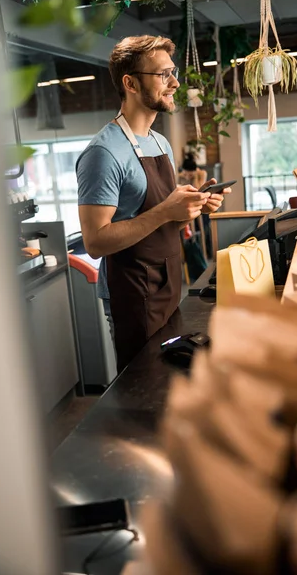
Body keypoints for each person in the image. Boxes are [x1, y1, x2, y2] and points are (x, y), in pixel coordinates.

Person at [76, 35, 231, 372]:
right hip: (132, 294)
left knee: (168, 384)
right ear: (130, 83)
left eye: (172, 72)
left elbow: (162, 217)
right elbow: (95, 241)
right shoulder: (102, 154)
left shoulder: (159, 142)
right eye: (163, 75)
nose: (174, 82)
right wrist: (165, 211)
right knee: (142, 394)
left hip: (168, 282)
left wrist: (195, 204)